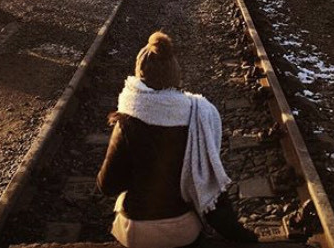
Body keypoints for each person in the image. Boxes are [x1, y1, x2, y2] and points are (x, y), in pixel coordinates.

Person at [97, 31, 257, 248]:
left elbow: (107, 186)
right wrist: (242, 236)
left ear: (139, 76)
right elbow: (209, 188)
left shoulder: (126, 121)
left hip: (136, 234)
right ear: (175, 76)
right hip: (181, 232)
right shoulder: (197, 115)